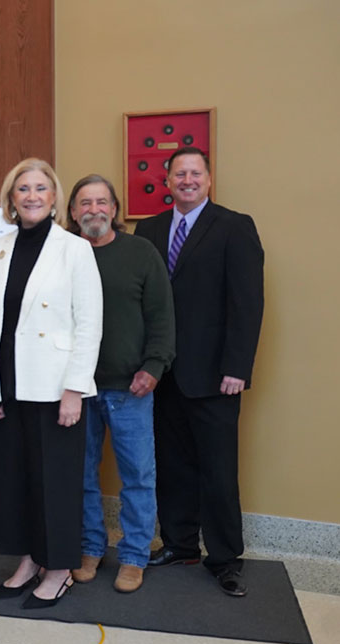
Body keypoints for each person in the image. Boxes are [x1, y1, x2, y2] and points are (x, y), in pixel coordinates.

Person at [135, 147, 264, 597]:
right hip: (162, 373)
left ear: (208, 179)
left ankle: (225, 558)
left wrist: (237, 367)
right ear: (167, 181)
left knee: (218, 471)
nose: (187, 180)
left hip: (214, 376)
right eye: (179, 174)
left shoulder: (234, 226)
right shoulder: (149, 230)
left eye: (195, 173)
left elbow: (247, 303)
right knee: (171, 466)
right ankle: (180, 544)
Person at [0, 158, 102, 608]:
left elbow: (89, 325)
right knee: (16, 480)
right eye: (23, 189)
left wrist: (74, 389)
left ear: (54, 198)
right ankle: (29, 560)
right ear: (11, 199)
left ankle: (60, 568)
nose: (31, 196)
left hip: (55, 387)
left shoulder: (75, 249)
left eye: (40, 188)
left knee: (56, 483)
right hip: (9, 383)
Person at [66, 174, 175, 594]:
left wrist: (154, 367)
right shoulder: (64, 254)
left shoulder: (140, 252)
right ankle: (90, 547)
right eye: (84, 203)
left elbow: (162, 316)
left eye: (101, 202)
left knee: (138, 476)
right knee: (80, 475)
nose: (93, 209)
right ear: (73, 211)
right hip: (77, 388)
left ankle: (133, 556)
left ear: (114, 209)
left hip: (131, 387)